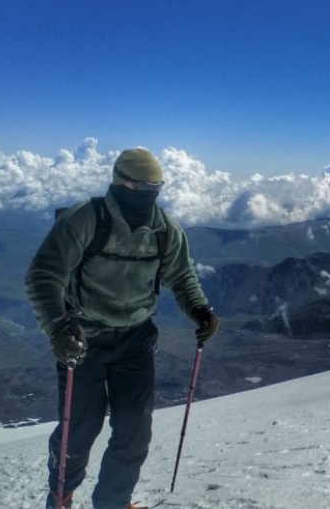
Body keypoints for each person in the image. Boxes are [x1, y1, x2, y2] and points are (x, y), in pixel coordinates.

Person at [25, 148, 219, 509]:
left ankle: (113, 503)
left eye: (155, 188)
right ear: (120, 184)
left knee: (134, 430)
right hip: (83, 338)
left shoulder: (164, 229)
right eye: (141, 187)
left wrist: (199, 309)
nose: (148, 195)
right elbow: (43, 276)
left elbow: (181, 275)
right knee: (78, 430)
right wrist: (58, 328)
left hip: (136, 341)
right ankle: (61, 497)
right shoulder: (86, 219)